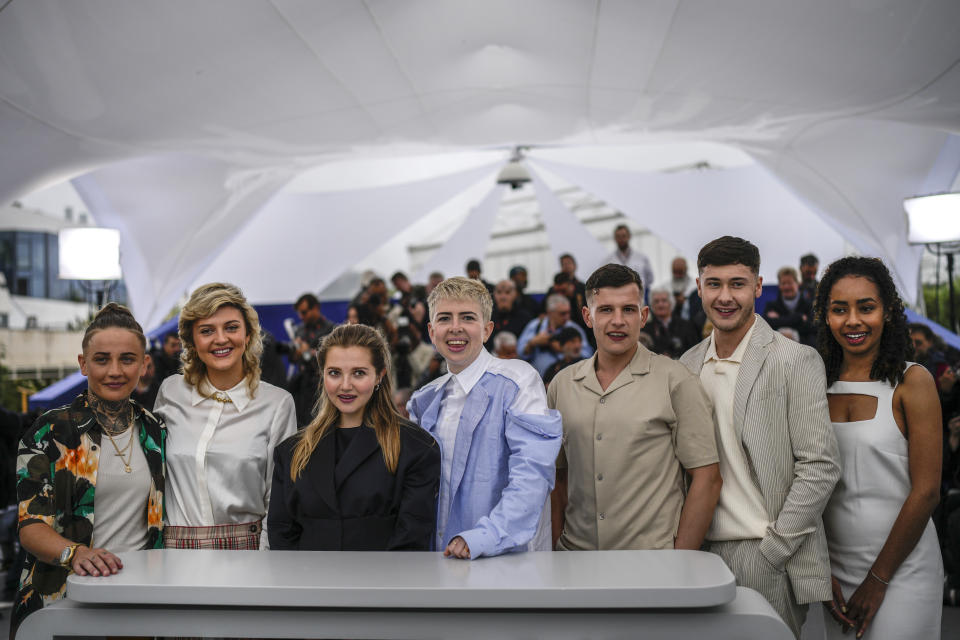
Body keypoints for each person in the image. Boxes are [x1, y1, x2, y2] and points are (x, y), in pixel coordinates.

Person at [679, 236, 841, 639]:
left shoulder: (795, 360)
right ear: (699, 287)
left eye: (737, 283)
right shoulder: (687, 365)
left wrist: (775, 549)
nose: (725, 296)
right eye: (714, 284)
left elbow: (820, 466)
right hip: (701, 554)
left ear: (757, 286)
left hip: (765, 551)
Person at [13, 304, 166, 633]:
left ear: (144, 365)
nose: (115, 370)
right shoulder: (51, 431)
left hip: (140, 603)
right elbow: (31, 528)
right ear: (83, 364)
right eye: (102, 359)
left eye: (127, 359)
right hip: (67, 601)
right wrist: (76, 553)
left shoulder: (155, 429)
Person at [549, 265, 720, 551]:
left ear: (643, 316)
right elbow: (558, 479)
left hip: (652, 561)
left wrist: (680, 559)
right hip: (575, 557)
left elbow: (708, 478)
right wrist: (555, 551)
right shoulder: (561, 386)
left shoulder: (675, 380)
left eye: (628, 310)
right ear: (587, 317)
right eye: (605, 310)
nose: (618, 321)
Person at [815, 257, 943, 639]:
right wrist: (820, 569)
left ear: (887, 312)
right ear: (826, 316)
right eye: (840, 310)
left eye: (866, 307)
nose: (853, 321)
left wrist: (878, 579)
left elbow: (927, 492)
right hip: (834, 572)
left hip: (903, 570)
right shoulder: (814, 383)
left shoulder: (912, 381)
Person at [407, 277, 562, 559]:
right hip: (438, 561)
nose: (455, 327)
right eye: (445, 318)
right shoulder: (424, 399)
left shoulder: (519, 381)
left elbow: (532, 475)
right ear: (431, 331)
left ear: (488, 329)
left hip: (504, 560)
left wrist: (485, 536)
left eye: (467, 317)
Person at [268, 324, 440, 550]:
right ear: (322, 375)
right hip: (309, 582)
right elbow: (282, 534)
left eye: (359, 373)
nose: (345, 385)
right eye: (334, 373)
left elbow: (411, 538)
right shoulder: (291, 452)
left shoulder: (416, 448)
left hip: (383, 582)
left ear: (380, 375)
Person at [154, 283, 296, 550]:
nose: (221, 339)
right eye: (207, 331)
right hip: (173, 555)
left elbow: (277, 500)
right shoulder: (170, 391)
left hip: (247, 554)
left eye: (231, 327)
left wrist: (264, 566)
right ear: (192, 341)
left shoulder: (277, 404)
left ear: (248, 333)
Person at [517, 294, 593, 376]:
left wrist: (564, 349)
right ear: (550, 313)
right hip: (540, 381)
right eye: (562, 313)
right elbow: (520, 353)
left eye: (568, 312)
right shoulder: (535, 326)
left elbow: (587, 355)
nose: (567, 317)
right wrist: (532, 343)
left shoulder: (574, 329)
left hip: (567, 380)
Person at [642, 286, 700, 359]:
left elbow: (695, 352)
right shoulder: (645, 329)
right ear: (652, 305)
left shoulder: (687, 326)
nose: (660, 305)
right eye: (656, 301)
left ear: (671, 303)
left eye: (664, 301)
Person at [763, 266, 815, 346]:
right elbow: (765, 327)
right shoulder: (771, 306)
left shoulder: (809, 305)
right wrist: (799, 318)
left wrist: (779, 320)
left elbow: (813, 328)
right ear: (779, 286)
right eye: (783, 283)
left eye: (790, 283)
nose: (786, 287)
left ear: (798, 284)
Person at [606, 224, 654, 291]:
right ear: (615, 238)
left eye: (624, 236)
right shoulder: (608, 261)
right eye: (618, 236)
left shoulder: (642, 258)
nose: (621, 239)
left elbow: (650, 279)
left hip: (638, 296)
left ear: (629, 236)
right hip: (617, 297)